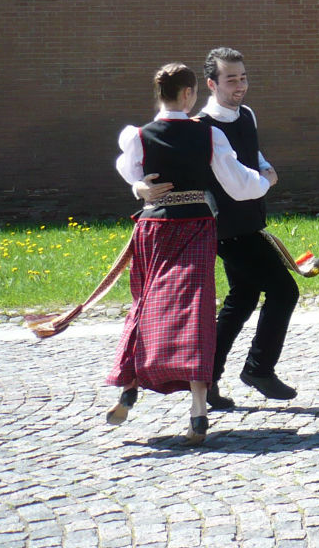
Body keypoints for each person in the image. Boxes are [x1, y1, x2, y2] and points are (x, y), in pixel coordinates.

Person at [110, 62, 271, 445]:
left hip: (153, 227)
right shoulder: (208, 134)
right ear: (187, 94)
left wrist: (138, 189)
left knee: (147, 304)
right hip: (196, 226)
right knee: (196, 312)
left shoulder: (138, 135)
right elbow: (237, 182)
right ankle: (198, 411)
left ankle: (129, 386)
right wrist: (265, 181)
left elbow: (127, 169)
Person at [196, 47, 298, 407]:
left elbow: (252, 155)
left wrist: (265, 168)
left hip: (251, 221)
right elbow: (233, 181)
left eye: (243, 77)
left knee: (242, 298)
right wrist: (266, 180)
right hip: (227, 229)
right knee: (284, 292)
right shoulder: (203, 127)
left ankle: (207, 379)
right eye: (231, 79)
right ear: (212, 83)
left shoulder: (247, 114)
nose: (240, 86)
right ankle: (258, 368)